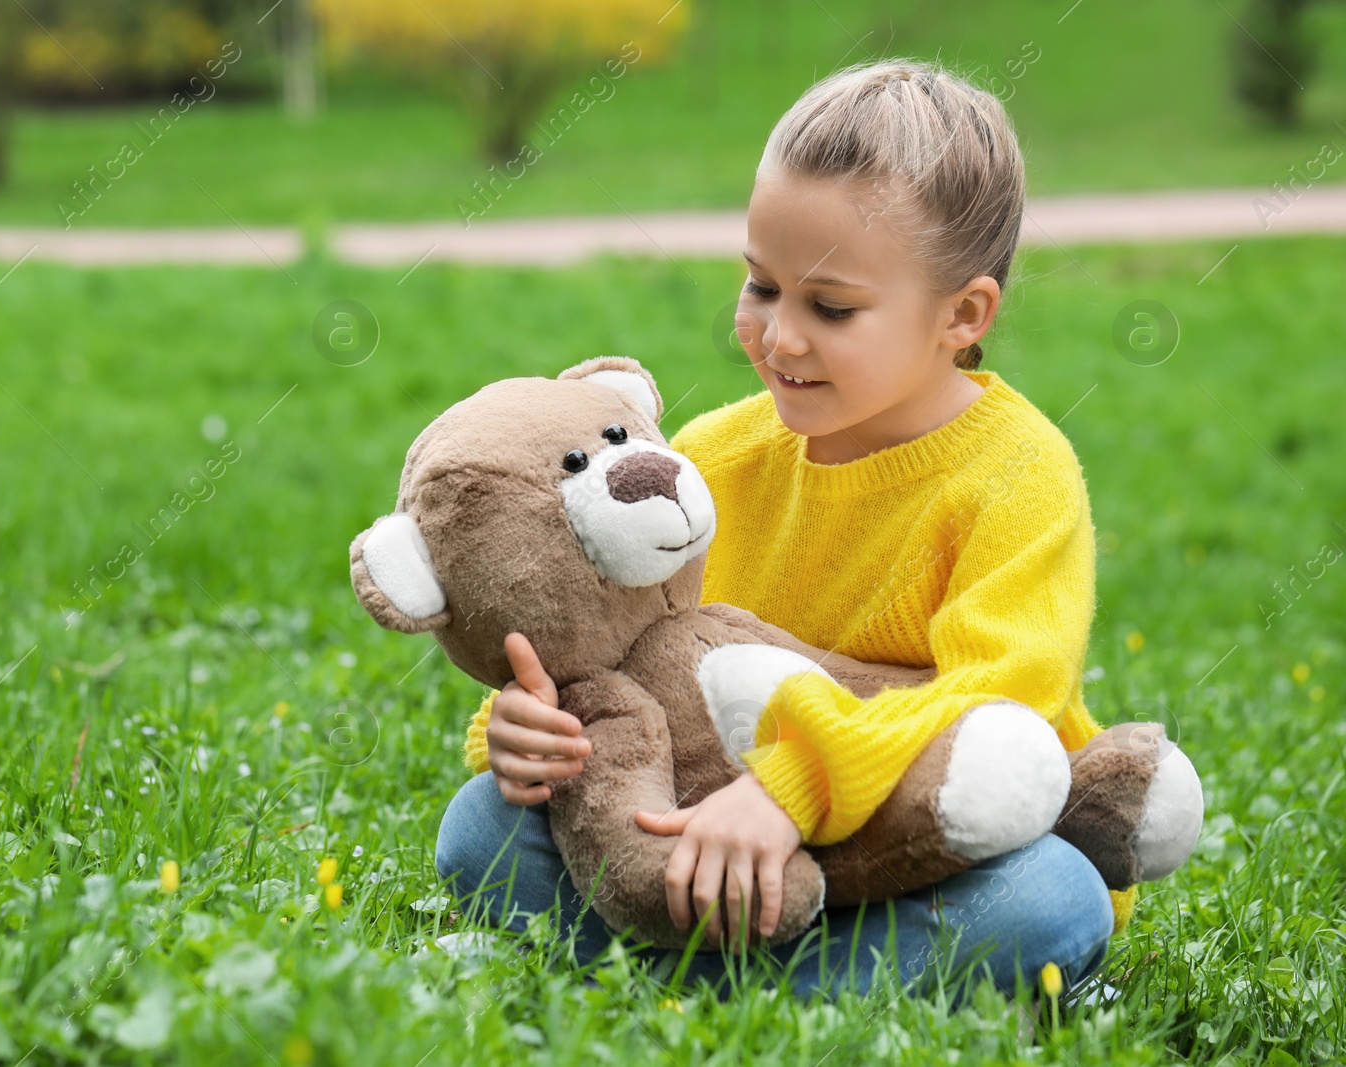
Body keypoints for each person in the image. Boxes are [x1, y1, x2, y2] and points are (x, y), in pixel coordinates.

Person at [434, 56, 1127, 1003]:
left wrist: (789, 792)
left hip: (911, 854)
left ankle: (698, 988)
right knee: (482, 827)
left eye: (830, 307)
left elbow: (1003, 693)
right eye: (763, 286)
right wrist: (527, 730)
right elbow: (621, 637)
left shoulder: (1018, 474)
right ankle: (790, 986)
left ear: (961, 315)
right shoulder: (715, 454)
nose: (779, 335)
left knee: (1057, 899)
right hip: (704, 844)